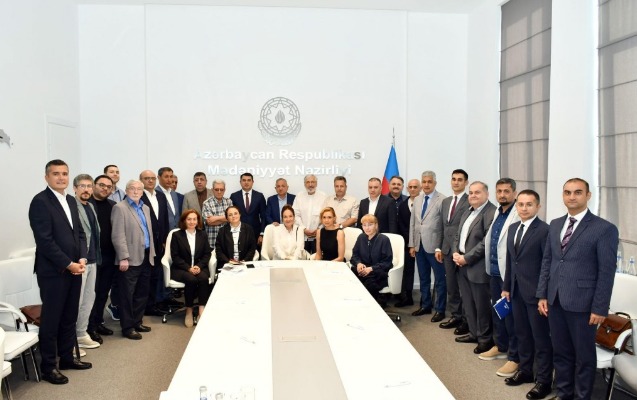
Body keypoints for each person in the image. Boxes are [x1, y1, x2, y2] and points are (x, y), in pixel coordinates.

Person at [537, 178, 618, 400]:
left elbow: (606, 272)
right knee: (561, 353)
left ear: (588, 195)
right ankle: (564, 394)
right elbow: (548, 261)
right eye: (567, 192)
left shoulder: (604, 229)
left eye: (578, 192)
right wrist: (542, 294)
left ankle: (582, 397)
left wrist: (600, 308)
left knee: (584, 357)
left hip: (584, 304)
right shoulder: (555, 224)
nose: (572, 197)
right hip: (555, 300)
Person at [29, 159, 92, 385]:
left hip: (75, 268)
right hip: (53, 272)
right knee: (51, 320)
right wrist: (68, 263)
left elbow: (80, 234)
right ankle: (48, 366)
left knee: (69, 317)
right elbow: (45, 242)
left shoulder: (71, 200)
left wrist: (82, 257)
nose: (61, 177)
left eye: (65, 173)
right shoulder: (40, 202)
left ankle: (66, 358)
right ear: (46, 177)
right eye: (56, 174)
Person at [501, 190, 553, 399]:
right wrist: (506, 287)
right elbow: (510, 261)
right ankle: (525, 371)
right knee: (521, 334)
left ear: (538, 206)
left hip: (536, 295)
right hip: (515, 292)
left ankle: (544, 381)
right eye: (520, 204)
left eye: (529, 204)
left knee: (540, 339)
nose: (524, 208)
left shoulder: (545, 230)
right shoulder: (513, 228)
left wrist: (543, 295)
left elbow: (547, 266)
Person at [481, 178, 520, 378]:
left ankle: (514, 357)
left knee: (511, 317)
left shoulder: (518, 213)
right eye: (499, 191)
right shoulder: (499, 212)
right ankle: (501, 345)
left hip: (508, 275)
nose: (502, 195)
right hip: (495, 272)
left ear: (514, 193)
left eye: (506, 191)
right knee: (499, 312)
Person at [452, 181, 496, 355]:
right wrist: (456, 253)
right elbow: (458, 235)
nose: (473, 195)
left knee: (482, 305)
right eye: (471, 193)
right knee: (468, 303)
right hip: (461, 263)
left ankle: (485, 339)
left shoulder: (491, 212)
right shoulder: (467, 211)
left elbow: (486, 242)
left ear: (487, 194)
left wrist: (466, 258)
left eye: (477, 192)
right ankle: (473, 333)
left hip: (478, 266)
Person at [111, 180, 156, 340]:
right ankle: (128, 327)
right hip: (129, 259)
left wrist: (152, 253)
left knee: (142, 293)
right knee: (127, 295)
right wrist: (123, 257)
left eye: (139, 189)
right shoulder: (120, 208)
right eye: (132, 188)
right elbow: (117, 235)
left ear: (143, 192)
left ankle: (137, 322)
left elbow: (148, 232)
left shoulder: (145, 208)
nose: (136, 191)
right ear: (126, 190)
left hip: (146, 256)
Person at [435, 169, 471, 334]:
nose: (456, 182)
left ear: (466, 182)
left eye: (460, 179)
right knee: (451, 286)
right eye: (454, 179)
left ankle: (466, 320)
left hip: (462, 252)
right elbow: (442, 226)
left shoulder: (470, 200)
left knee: (465, 288)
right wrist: (439, 247)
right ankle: (456, 316)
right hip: (447, 250)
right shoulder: (446, 201)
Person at [408, 171, 446, 322]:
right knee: (424, 278)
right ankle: (425, 305)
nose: (426, 184)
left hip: (435, 247)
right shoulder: (417, 199)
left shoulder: (442, 199)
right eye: (424, 182)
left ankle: (440, 309)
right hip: (419, 246)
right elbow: (413, 223)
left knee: (440, 280)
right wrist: (412, 244)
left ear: (435, 183)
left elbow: (444, 226)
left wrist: (440, 247)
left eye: (429, 182)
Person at [87, 175, 117, 343]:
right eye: (102, 185)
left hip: (109, 256)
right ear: (94, 186)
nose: (105, 188)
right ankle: (89, 327)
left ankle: (98, 322)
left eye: (108, 186)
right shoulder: (86, 204)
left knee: (103, 293)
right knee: (92, 293)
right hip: (93, 257)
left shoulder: (113, 206)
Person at [72, 174, 102, 350]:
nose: (86, 189)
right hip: (79, 261)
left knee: (89, 299)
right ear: (75, 188)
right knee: (76, 301)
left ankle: (81, 333)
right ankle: (70, 340)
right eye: (82, 186)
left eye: (89, 186)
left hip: (93, 259)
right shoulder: (71, 206)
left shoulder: (90, 206)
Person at [170, 209, 212, 328]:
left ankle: (201, 310)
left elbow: (207, 254)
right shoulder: (177, 235)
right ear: (184, 220)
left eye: (194, 219)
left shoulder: (202, 234)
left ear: (198, 221)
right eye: (189, 219)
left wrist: (199, 266)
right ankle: (189, 310)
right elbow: (175, 257)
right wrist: (188, 268)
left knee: (203, 278)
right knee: (191, 280)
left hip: (199, 267)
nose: (192, 222)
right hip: (181, 268)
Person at [140, 170, 172, 316]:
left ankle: (155, 304)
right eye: (147, 178)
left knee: (157, 274)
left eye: (153, 178)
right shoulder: (138, 196)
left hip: (160, 244)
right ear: (141, 180)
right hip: (146, 243)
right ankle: (146, 306)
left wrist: (165, 240)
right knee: (146, 276)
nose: (150, 181)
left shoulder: (160, 195)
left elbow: (164, 220)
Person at [350, 214, 394, 307]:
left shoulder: (384, 239)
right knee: (351, 280)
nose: (367, 228)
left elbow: (387, 262)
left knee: (368, 284)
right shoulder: (361, 237)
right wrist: (358, 263)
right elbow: (354, 255)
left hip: (377, 273)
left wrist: (371, 268)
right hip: (362, 271)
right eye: (364, 225)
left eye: (370, 225)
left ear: (376, 225)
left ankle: (372, 306)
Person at [395, 179, 421, 307]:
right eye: (410, 187)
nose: (412, 189)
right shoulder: (402, 205)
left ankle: (425, 300)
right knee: (408, 271)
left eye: (415, 187)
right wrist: (411, 243)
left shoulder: (425, 203)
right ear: (407, 189)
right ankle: (408, 297)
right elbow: (401, 225)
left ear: (420, 188)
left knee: (423, 272)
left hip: (423, 243)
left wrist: (416, 243)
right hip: (407, 244)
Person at [292, 174, 327, 253]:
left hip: (318, 237)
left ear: (316, 183)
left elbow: (326, 216)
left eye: (312, 182)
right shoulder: (299, 196)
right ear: (304, 184)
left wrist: (319, 229)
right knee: (302, 258)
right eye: (308, 182)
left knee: (317, 258)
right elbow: (295, 215)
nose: (310, 184)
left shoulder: (323, 196)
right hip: (302, 236)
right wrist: (303, 229)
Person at [230, 173, 267, 246]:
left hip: (256, 234)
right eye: (244, 180)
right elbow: (231, 216)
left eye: (249, 180)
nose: (246, 182)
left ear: (253, 182)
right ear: (240, 182)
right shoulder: (234, 196)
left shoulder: (259, 196)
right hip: (238, 233)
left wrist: (262, 234)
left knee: (255, 252)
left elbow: (263, 216)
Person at [201, 179, 233, 250]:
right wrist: (226, 218)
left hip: (227, 241)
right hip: (212, 241)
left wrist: (215, 218)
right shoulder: (206, 203)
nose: (219, 192)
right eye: (216, 189)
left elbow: (232, 219)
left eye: (221, 189)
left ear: (224, 190)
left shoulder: (229, 202)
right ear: (212, 190)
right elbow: (209, 222)